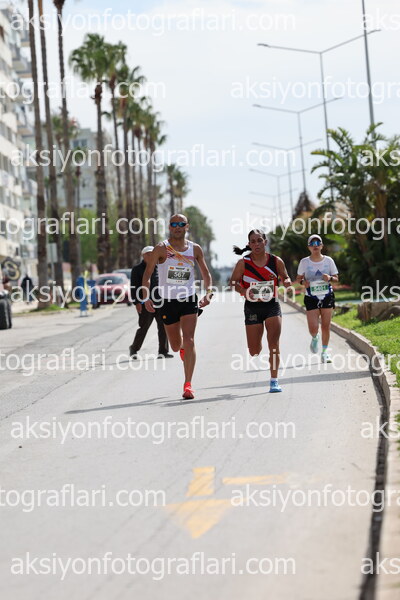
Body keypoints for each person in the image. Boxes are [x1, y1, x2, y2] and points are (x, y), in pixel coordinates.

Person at [142, 214, 213, 400]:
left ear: (187, 226)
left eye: (181, 224)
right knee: (175, 346)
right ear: (169, 227)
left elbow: (205, 272)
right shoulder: (161, 248)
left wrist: (209, 292)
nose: (177, 227)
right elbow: (147, 274)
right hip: (168, 301)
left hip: (188, 299)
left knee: (189, 339)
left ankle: (188, 384)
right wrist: (146, 297)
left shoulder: (195, 249)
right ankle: (181, 348)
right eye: (174, 224)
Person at [230, 229, 291, 393]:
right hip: (252, 307)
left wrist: (287, 282)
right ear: (249, 244)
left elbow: (285, 276)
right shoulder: (243, 263)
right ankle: (257, 343)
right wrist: (243, 291)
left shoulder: (276, 261)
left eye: (259, 240)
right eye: (253, 241)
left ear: (265, 242)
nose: (256, 244)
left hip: (272, 305)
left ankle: (274, 380)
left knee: (274, 344)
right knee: (254, 350)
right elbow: (233, 282)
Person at [296, 234, 339, 363]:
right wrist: (304, 283)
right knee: (313, 328)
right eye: (312, 244)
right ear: (308, 247)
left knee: (326, 326)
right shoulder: (304, 262)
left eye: (317, 243)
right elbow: (298, 278)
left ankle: (325, 352)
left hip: (327, 296)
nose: (315, 246)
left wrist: (330, 278)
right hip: (311, 297)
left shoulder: (328, 261)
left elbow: (336, 279)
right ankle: (315, 338)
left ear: (321, 246)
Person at [129, 246, 173, 360]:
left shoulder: (160, 267)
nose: (150, 256)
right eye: (148, 254)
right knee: (144, 327)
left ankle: (163, 351)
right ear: (143, 256)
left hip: (160, 302)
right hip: (145, 303)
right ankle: (134, 348)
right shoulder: (137, 269)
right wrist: (137, 302)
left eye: (152, 254)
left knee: (163, 327)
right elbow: (133, 287)